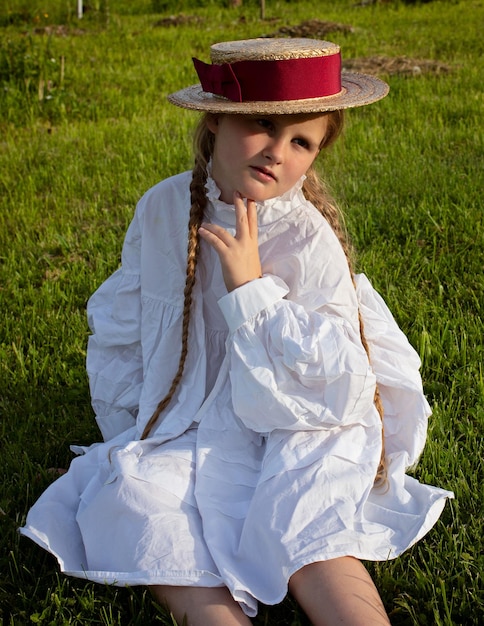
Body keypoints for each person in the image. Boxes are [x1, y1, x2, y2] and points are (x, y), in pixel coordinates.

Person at [20, 38, 453, 625]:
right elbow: (130, 327)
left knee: (303, 513)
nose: (278, 151)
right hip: (193, 419)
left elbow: (333, 383)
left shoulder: (305, 237)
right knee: (146, 501)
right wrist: (137, 428)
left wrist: (251, 291)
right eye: (262, 124)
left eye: (301, 142)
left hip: (304, 421)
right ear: (216, 120)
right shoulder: (163, 209)